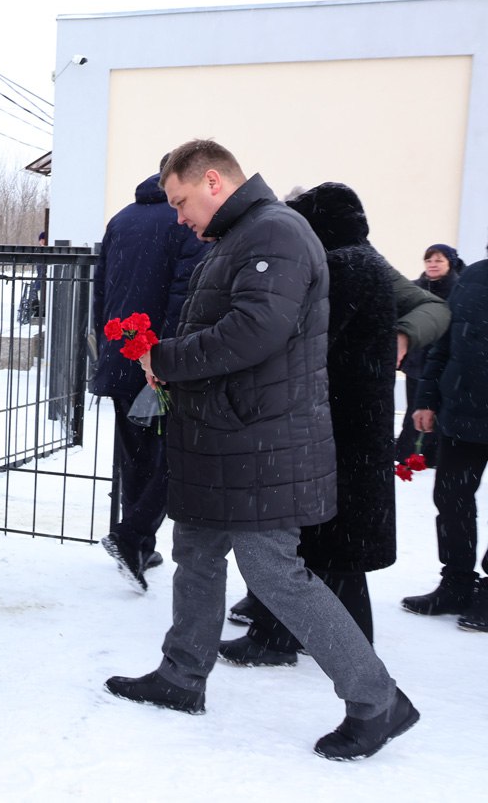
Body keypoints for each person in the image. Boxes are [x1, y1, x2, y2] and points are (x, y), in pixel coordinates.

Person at [103, 140, 418, 761]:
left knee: (274, 570)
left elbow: (255, 331)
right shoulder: (242, 236)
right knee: (195, 549)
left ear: (214, 181)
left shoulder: (275, 233)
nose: (178, 216)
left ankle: (376, 698)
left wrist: (166, 358)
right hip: (226, 437)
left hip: (260, 442)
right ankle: (181, 675)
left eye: (181, 201)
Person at [219, 183, 396, 664]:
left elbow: (303, 342)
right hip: (356, 420)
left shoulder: (341, 268)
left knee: (314, 540)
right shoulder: (367, 262)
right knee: (334, 546)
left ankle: (281, 639)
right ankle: (339, 640)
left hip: (337, 421)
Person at [91, 155, 210, 591]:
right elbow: (186, 296)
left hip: (123, 350)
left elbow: (101, 287)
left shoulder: (122, 219)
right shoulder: (185, 222)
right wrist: (168, 357)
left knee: (135, 453)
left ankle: (140, 542)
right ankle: (132, 536)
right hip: (161, 358)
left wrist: (112, 345)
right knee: (171, 455)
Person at [403, 257, 488, 629]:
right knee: (451, 498)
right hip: (462, 410)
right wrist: (427, 399)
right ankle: (456, 581)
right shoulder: (474, 275)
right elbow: (445, 343)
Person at [396, 243, 465, 466]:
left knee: (439, 409)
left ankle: (434, 454)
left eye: (439, 261)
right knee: (414, 408)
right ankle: (409, 453)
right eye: (429, 261)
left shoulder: (459, 289)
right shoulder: (415, 288)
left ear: (450, 264)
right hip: (417, 361)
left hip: (444, 361)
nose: (433, 265)